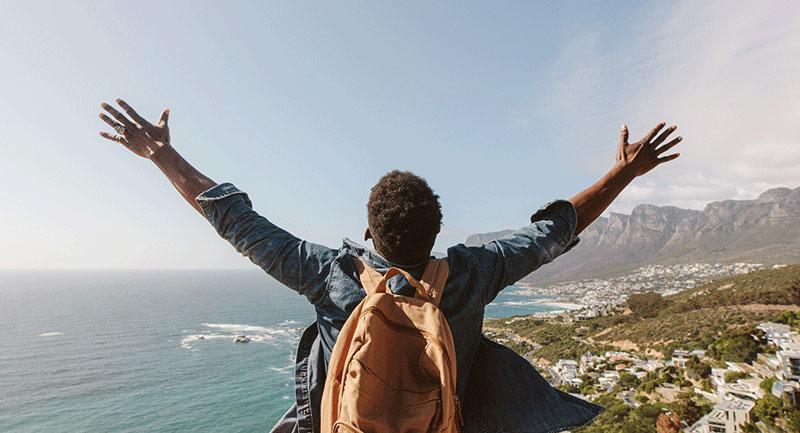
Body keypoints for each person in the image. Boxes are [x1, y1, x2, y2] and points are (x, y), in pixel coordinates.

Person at [98, 99, 682, 433]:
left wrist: (163, 154)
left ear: (368, 230)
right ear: (437, 232)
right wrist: (622, 175)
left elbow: (237, 221)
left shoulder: (328, 273)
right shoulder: (474, 272)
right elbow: (554, 232)